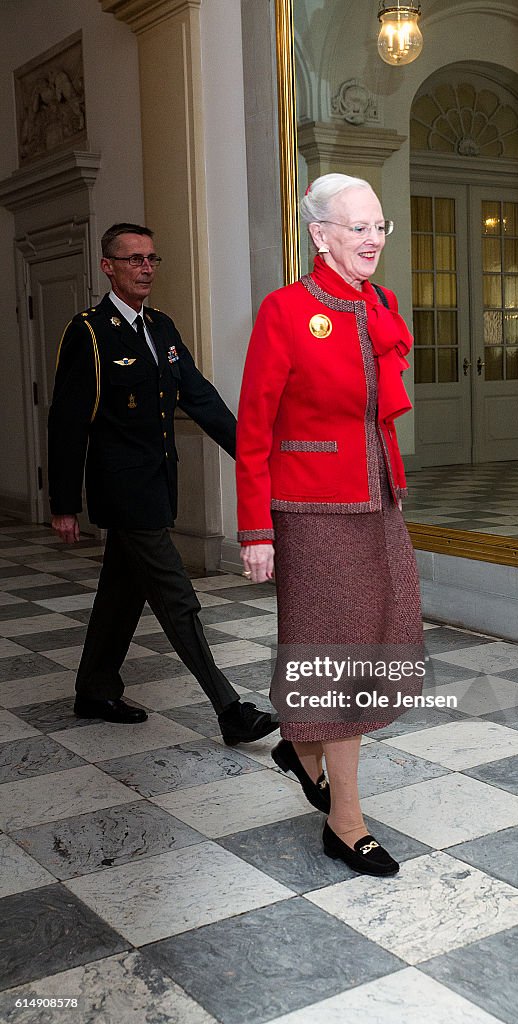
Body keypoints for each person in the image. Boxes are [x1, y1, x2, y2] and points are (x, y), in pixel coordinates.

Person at [236, 175, 424, 875]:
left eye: (380, 226)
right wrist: (255, 529)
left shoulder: (379, 302)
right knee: (336, 659)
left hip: (376, 505)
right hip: (311, 511)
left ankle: (302, 744)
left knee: (378, 642)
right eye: (357, 227)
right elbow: (253, 426)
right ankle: (344, 819)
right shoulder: (286, 310)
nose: (373, 239)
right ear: (320, 234)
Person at [48, 222, 278, 746]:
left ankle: (95, 688)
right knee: (177, 597)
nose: (145, 268)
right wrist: (64, 503)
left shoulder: (163, 328)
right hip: (122, 492)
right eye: (133, 259)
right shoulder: (88, 331)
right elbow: (66, 422)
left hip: (158, 483)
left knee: (121, 594)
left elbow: (198, 397)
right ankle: (229, 710)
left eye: (151, 258)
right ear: (108, 266)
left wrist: (254, 456)